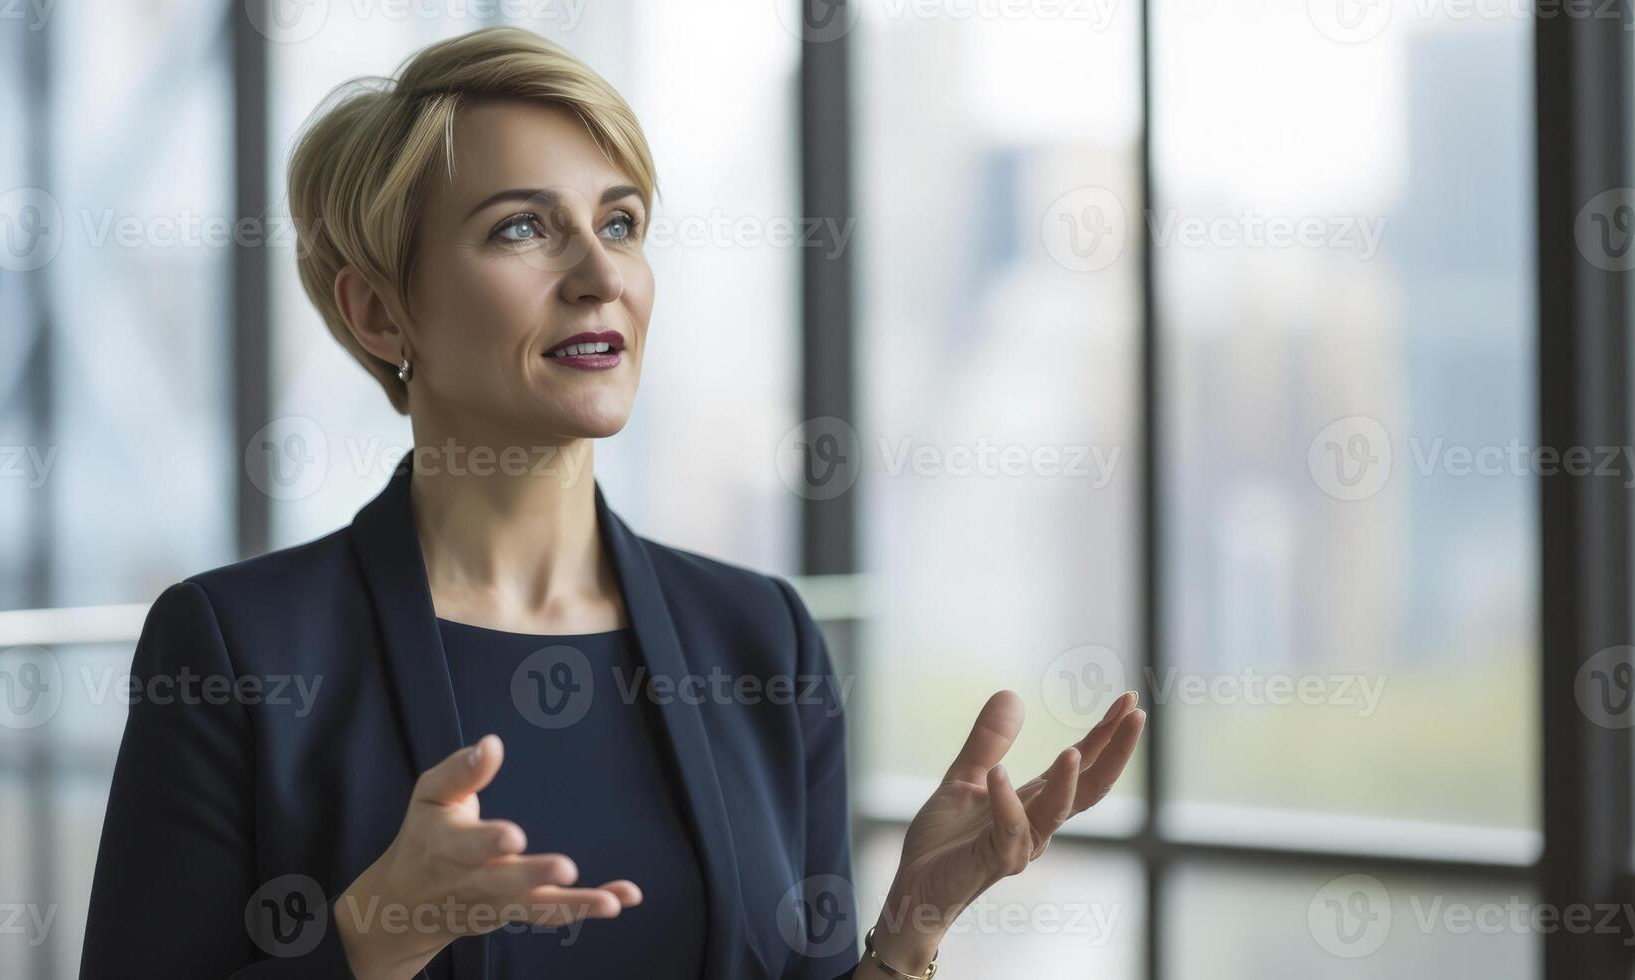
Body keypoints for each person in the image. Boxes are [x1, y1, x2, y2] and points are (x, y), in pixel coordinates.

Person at [76, 25, 1145, 980]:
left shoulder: (760, 638)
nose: (600, 274)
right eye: (519, 230)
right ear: (378, 310)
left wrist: (911, 929)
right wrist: (371, 937)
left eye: (621, 220)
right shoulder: (236, 648)